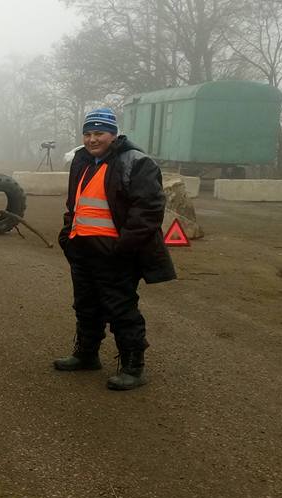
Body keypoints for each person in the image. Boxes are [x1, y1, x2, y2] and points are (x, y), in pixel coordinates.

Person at [55, 107, 176, 390]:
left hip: (115, 251)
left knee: (121, 308)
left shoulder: (136, 161)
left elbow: (147, 211)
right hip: (82, 247)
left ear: (114, 134)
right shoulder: (82, 161)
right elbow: (76, 203)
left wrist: (122, 249)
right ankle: (86, 354)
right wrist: (67, 234)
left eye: (99, 133)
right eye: (87, 134)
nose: (92, 139)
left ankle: (133, 367)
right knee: (86, 305)